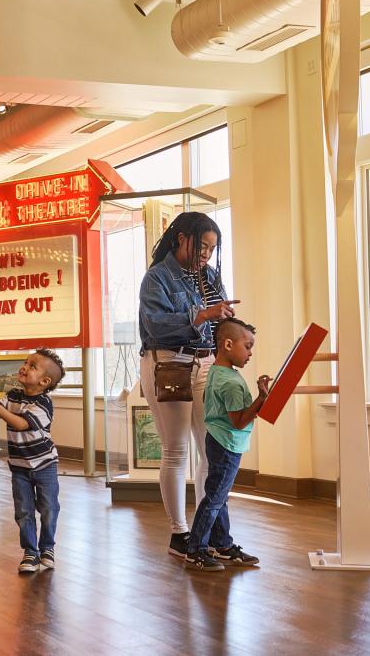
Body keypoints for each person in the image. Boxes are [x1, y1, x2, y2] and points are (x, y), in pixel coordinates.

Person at [138, 211, 240, 558]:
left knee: (211, 448)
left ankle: (208, 530)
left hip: (207, 363)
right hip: (169, 363)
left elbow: (220, 321)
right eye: (202, 246)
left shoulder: (209, 275)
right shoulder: (156, 278)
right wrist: (203, 315)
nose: (206, 255)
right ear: (181, 238)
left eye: (212, 249)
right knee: (176, 450)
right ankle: (179, 533)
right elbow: (156, 327)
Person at [184, 318, 271, 571]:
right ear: (228, 344)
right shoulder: (231, 383)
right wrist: (262, 398)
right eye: (248, 346)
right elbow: (239, 421)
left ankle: (222, 543)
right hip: (227, 445)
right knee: (214, 498)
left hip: (217, 439)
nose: (251, 352)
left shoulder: (218, 372)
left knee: (219, 497)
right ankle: (196, 549)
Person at [0, 349, 65, 574]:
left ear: (45, 381)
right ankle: (30, 552)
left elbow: (21, 424)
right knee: (23, 510)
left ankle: (47, 547)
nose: (24, 366)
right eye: (26, 362)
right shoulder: (13, 395)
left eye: (32, 365)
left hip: (44, 466)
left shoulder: (44, 403)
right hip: (19, 467)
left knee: (48, 508)